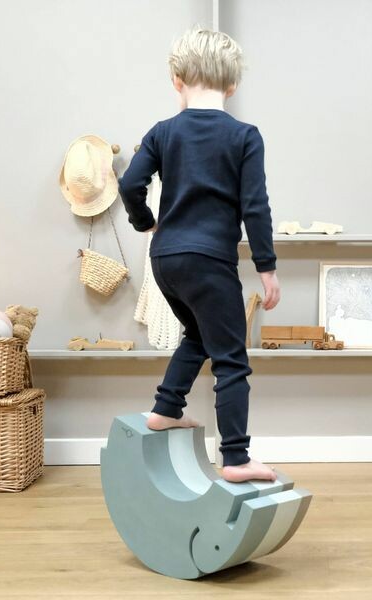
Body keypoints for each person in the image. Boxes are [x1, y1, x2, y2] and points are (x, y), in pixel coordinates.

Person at [118, 27, 279, 483]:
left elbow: (130, 185)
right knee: (232, 360)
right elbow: (255, 207)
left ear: (177, 80)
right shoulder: (244, 136)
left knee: (198, 336)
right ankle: (236, 458)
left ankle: (166, 408)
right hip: (210, 262)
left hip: (166, 260)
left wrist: (145, 223)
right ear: (233, 84)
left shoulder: (163, 132)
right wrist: (267, 268)